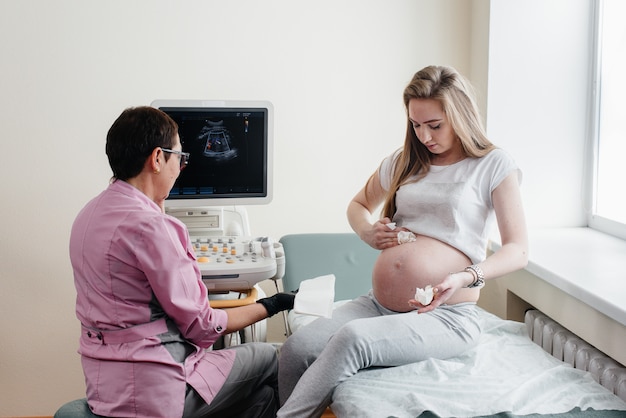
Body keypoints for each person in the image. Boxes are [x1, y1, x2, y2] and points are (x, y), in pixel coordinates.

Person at [277, 65, 529, 417]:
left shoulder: (492, 164)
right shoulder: (404, 160)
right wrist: (367, 231)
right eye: (416, 124)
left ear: (461, 115)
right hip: (377, 304)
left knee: (353, 341)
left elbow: (518, 250)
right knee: (296, 348)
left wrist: (465, 276)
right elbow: (358, 206)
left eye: (435, 125)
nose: (424, 135)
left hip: (448, 315)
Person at [69, 106, 294, 418]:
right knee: (277, 360)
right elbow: (202, 328)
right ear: (157, 158)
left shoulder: (88, 214)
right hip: (155, 390)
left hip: (105, 388)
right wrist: (274, 304)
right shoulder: (154, 227)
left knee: (261, 394)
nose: (181, 167)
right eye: (180, 157)